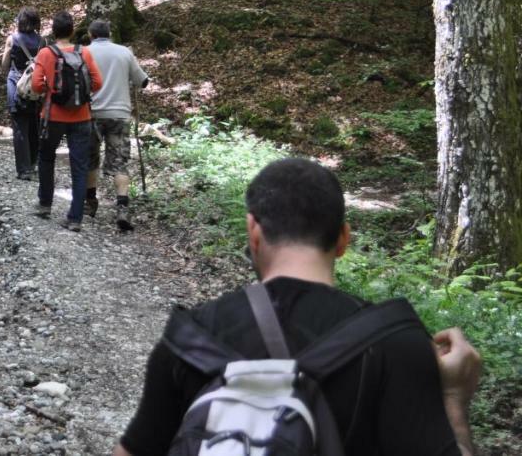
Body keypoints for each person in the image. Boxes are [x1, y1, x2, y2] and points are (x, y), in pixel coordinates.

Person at [115, 157, 481, 456]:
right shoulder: (397, 344)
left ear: (253, 233)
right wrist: (452, 399)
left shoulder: (189, 338)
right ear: (343, 239)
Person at [30, 10, 103, 232]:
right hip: (81, 116)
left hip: (52, 115)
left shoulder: (45, 53)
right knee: (79, 166)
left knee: (46, 159)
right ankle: (75, 218)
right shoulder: (84, 53)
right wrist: (80, 94)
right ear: (72, 31)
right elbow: (98, 82)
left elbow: (35, 85)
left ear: (53, 31)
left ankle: (45, 204)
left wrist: (50, 89)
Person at [85, 19, 149, 231]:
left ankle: (91, 202)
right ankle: (122, 207)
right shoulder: (124, 52)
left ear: (90, 34)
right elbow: (143, 81)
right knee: (120, 162)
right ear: (110, 33)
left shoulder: (85, 52)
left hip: (92, 113)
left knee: (90, 158)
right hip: (119, 114)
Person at [0, 7, 43, 181]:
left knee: (20, 128)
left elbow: (4, 64)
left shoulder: (12, 39)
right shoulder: (43, 42)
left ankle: (24, 170)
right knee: (35, 126)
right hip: (37, 87)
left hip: (17, 85)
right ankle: (34, 163)